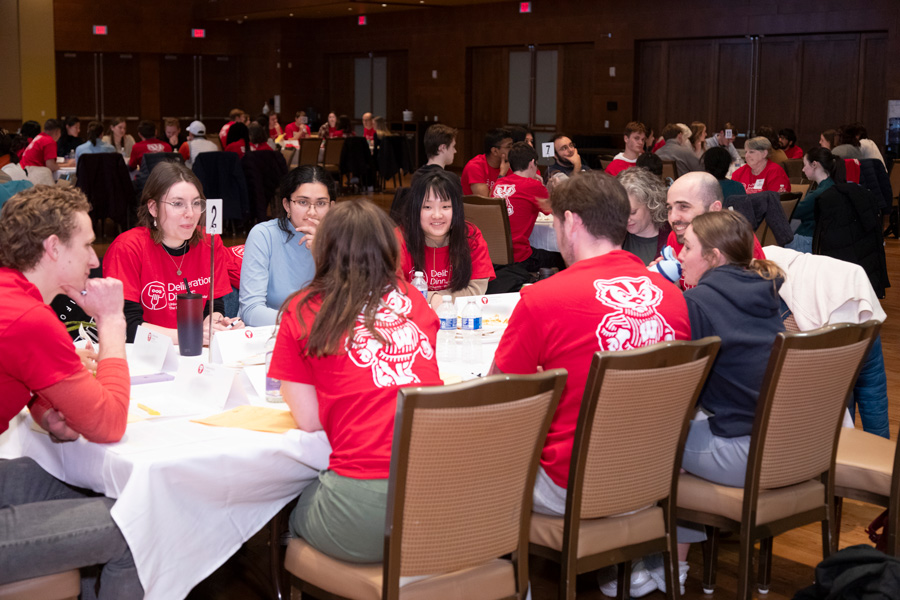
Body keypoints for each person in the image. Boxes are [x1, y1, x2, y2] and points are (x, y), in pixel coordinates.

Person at [490, 170, 690, 596]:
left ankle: (504, 585)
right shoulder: (671, 296)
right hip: (649, 480)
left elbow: (499, 397)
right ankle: (627, 566)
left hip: (573, 486)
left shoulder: (545, 298)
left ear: (572, 222)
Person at [268, 199, 441, 563]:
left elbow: (311, 420)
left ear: (323, 248)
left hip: (365, 508)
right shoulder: (414, 300)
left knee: (289, 506)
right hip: (438, 500)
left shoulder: (304, 309)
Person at [0, 185, 144, 599]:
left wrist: (46, 411)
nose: (95, 259)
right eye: (85, 245)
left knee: (57, 479)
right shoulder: (30, 317)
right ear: (52, 247)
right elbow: (109, 423)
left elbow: (16, 372)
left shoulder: (17, 300)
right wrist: (113, 322)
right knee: (138, 523)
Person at [666, 209, 784, 593]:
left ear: (714, 256)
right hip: (791, 448)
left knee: (654, 446)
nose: (680, 255)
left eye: (687, 247)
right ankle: (672, 566)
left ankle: (662, 567)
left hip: (744, 454)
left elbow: (679, 393)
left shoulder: (699, 302)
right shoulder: (763, 289)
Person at [103, 162, 241, 343]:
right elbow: (126, 326)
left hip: (195, 352)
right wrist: (190, 336)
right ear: (153, 208)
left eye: (196, 203)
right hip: (146, 355)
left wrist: (214, 325)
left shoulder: (209, 242)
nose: (190, 213)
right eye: (178, 204)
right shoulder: (128, 248)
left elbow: (214, 306)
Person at [240, 166, 335, 326]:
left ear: (331, 207)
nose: (312, 212)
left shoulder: (342, 239)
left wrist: (325, 254)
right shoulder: (264, 235)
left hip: (326, 337)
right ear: (286, 205)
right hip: (273, 334)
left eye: (320, 203)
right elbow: (251, 310)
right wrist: (305, 322)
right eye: (303, 202)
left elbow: (351, 304)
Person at [396, 169, 495, 307]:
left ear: (457, 210)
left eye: (446, 206)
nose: (437, 215)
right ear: (415, 209)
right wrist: (432, 298)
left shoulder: (471, 236)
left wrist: (439, 300)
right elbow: (393, 289)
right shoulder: (397, 239)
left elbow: (476, 290)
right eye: (427, 207)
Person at [662, 172, 766, 292]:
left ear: (714, 209)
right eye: (669, 208)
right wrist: (671, 283)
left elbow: (750, 300)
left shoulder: (736, 241)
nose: (673, 218)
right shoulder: (676, 236)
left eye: (684, 207)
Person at [488, 142, 563, 292]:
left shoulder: (499, 183)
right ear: (532, 163)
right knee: (561, 258)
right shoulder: (533, 186)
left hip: (495, 255)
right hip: (520, 257)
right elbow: (558, 211)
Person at [786, 147, 842, 254]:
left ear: (815, 165)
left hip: (808, 238)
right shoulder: (832, 185)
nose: (803, 169)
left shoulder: (818, 193)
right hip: (821, 239)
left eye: (805, 165)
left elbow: (792, 211)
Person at [618, 166, 670, 265]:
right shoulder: (611, 235)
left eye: (633, 212)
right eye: (622, 212)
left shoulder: (672, 238)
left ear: (652, 204)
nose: (626, 219)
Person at [461, 127, 511, 196]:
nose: (512, 150)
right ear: (495, 151)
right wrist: (502, 175)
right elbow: (486, 202)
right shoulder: (475, 167)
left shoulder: (509, 164)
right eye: (508, 147)